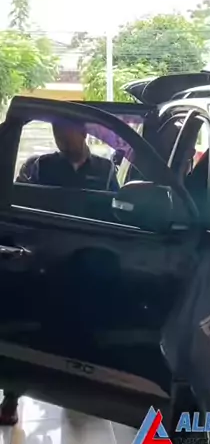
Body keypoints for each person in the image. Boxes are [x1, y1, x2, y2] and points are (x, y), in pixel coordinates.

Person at [0, 121, 120, 426]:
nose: (62, 140)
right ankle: (11, 396)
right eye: (57, 134)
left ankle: (83, 393)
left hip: (86, 263)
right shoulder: (39, 166)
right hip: (47, 262)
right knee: (31, 334)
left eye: (67, 133)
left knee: (85, 329)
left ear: (83, 133)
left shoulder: (106, 170)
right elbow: (15, 209)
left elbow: (119, 213)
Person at [16, 120, 120, 191]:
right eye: (59, 140)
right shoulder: (42, 166)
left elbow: (118, 206)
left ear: (83, 133)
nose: (64, 146)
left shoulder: (106, 170)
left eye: (68, 141)